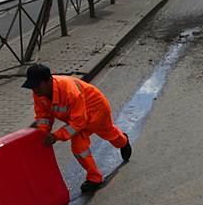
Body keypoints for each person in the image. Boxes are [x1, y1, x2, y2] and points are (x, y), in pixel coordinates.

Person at [22, 64, 132, 193]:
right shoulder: (39, 93)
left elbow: (78, 122)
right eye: (32, 86)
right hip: (78, 117)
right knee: (79, 147)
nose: (34, 90)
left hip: (97, 111)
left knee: (109, 134)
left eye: (37, 86)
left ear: (48, 80)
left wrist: (56, 136)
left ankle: (123, 141)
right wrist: (43, 133)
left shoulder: (69, 91)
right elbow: (43, 116)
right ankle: (94, 178)